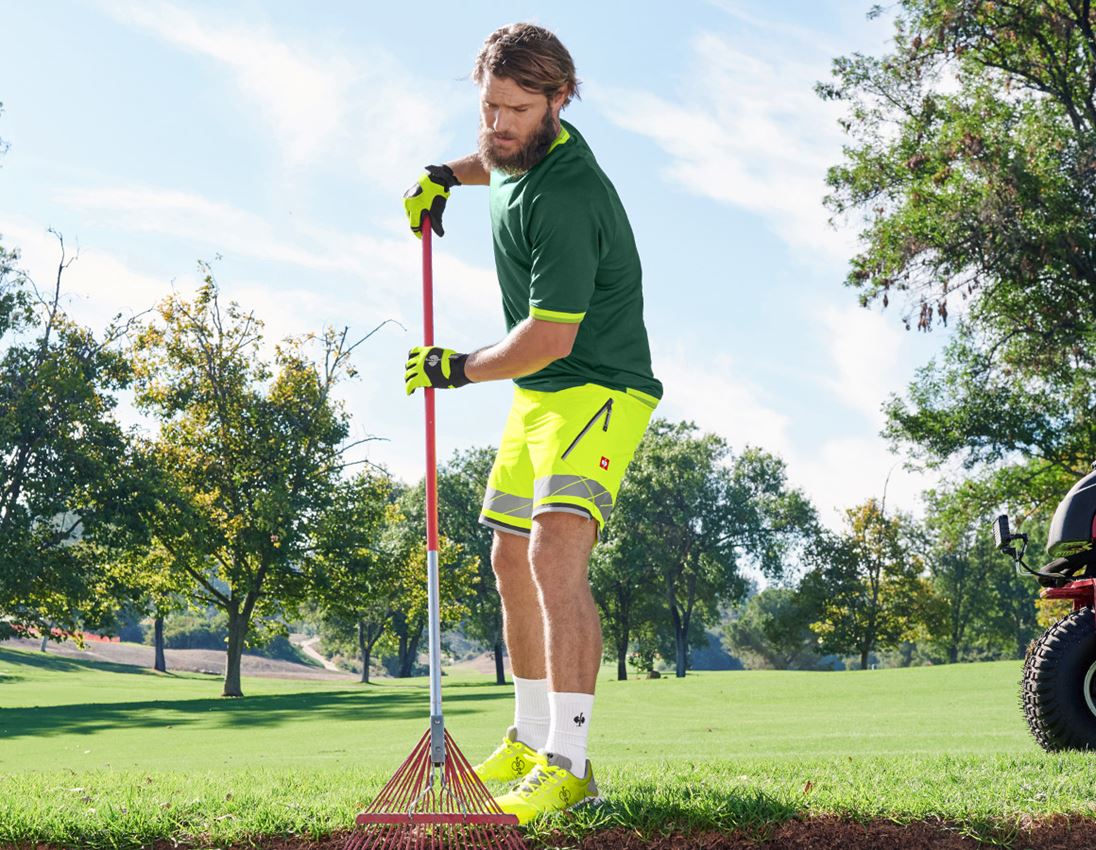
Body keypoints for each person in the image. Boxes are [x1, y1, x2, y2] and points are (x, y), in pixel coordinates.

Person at [402, 22, 662, 824]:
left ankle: (570, 765)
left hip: (597, 387)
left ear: (560, 100)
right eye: (488, 107)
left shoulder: (571, 195)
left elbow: (550, 337)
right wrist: (445, 172)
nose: (499, 125)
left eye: (517, 109)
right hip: (539, 393)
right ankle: (527, 735)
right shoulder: (513, 151)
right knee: (508, 555)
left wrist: (456, 367)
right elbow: (495, 163)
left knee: (553, 553)